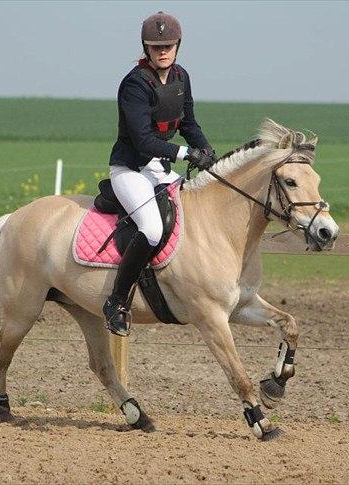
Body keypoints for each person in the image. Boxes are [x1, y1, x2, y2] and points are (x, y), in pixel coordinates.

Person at [103, 11, 216, 337]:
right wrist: (185, 153)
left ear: (178, 46)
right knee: (152, 228)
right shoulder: (134, 84)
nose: (162, 51)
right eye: (156, 47)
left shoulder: (181, 77)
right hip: (131, 169)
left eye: (168, 46)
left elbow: (189, 124)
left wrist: (208, 152)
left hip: (160, 169)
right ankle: (117, 301)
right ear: (146, 48)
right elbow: (143, 139)